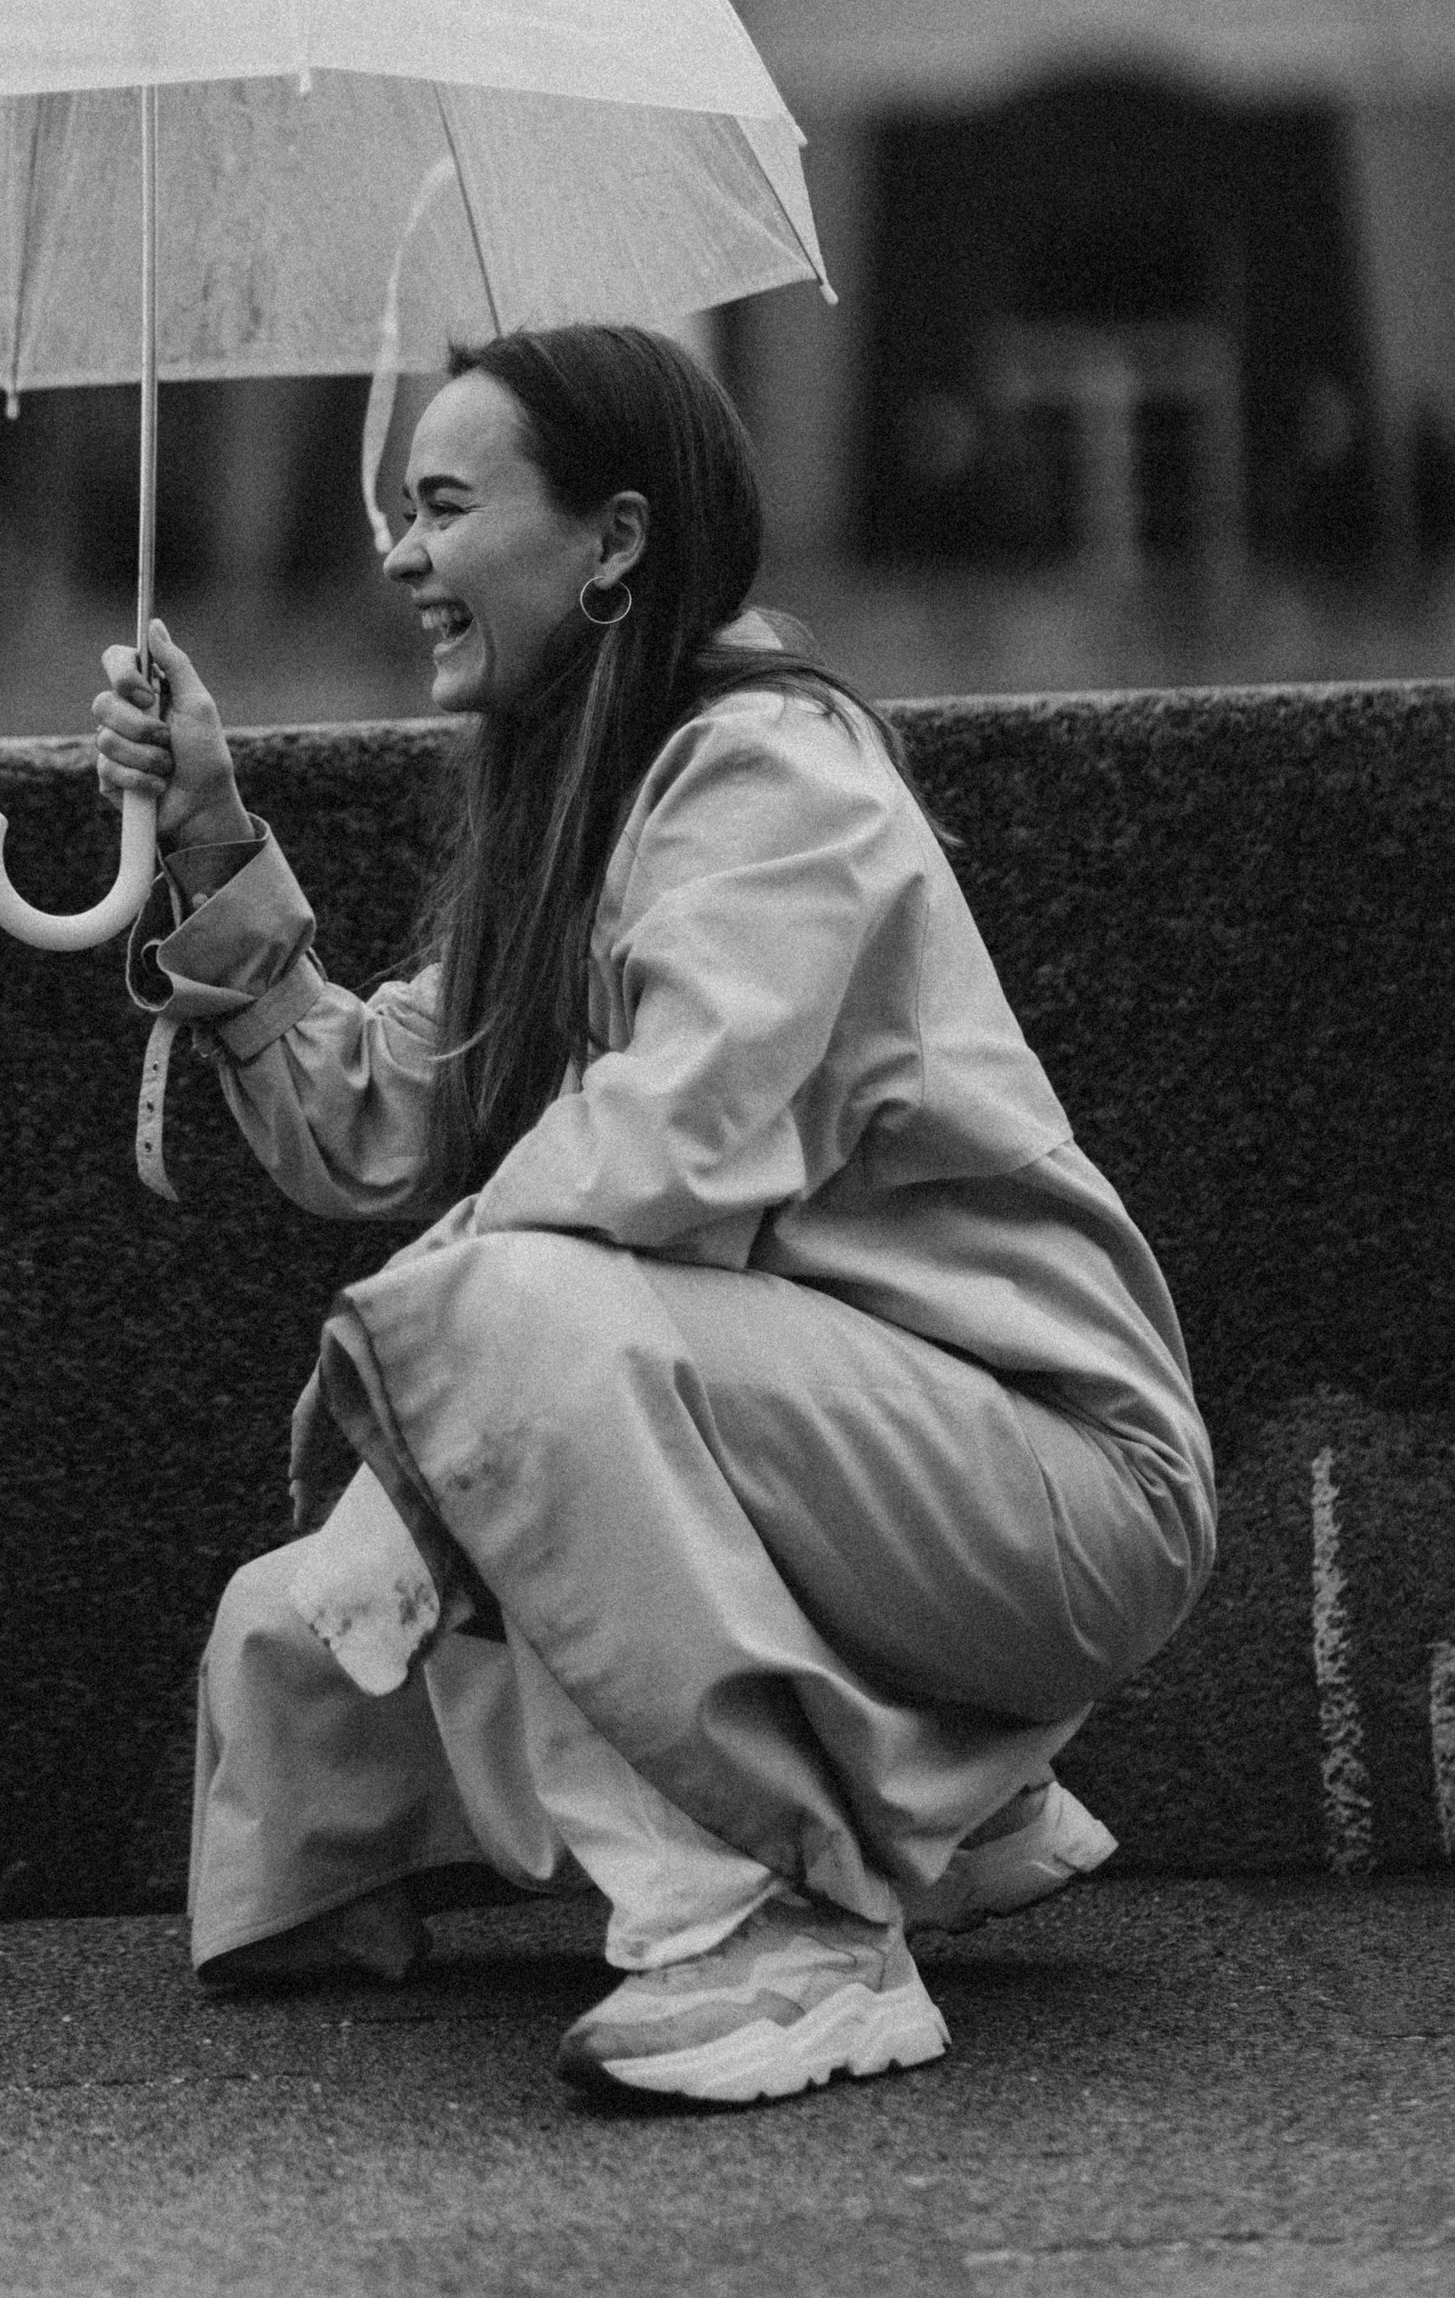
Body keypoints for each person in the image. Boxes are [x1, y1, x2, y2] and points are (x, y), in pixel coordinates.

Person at [93, 324, 1214, 2111]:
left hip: (1058, 1485)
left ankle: (787, 1931)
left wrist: (420, 1366)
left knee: (491, 1347)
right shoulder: (602, 802)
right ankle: (940, 1797)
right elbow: (374, 1117)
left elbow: (667, 1146)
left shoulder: (774, 781)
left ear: (612, 542)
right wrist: (213, 837)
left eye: (446, 506)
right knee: (293, 1639)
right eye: (401, 509)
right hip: (859, 1460)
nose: (399, 553)